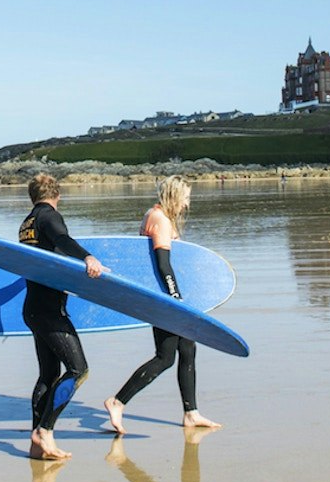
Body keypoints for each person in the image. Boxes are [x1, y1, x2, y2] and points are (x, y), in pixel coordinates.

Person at [104, 176, 221, 434]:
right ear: (175, 196)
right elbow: (163, 264)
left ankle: (191, 413)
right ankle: (117, 401)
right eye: (186, 198)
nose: (187, 204)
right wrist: (176, 300)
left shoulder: (154, 214)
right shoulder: (161, 219)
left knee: (187, 350)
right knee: (165, 357)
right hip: (163, 298)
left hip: (161, 295)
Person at [19, 173, 103, 461]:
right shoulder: (48, 217)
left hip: (33, 308)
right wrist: (88, 257)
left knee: (48, 374)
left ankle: (37, 443)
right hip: (50, 310)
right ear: (57, 195)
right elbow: (62, 239)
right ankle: (45, 430)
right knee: (79, 370)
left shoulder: (26, 223)